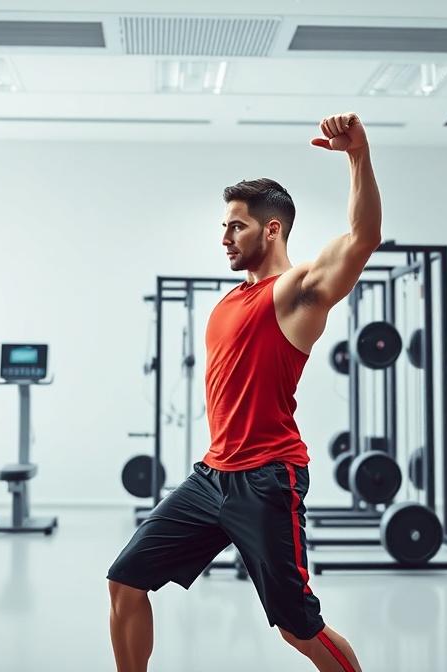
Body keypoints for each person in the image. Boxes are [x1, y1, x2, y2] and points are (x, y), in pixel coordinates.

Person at [107, 113, 381, 671]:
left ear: (272, 229)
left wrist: (357, 155)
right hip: (212, 475)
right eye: (225, 226)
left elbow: (362, 239)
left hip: (267, 478)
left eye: (236, 226)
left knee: (297, 628)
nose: (225, 236)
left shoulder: (296, 292)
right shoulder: (231, 299)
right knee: (126, 583)